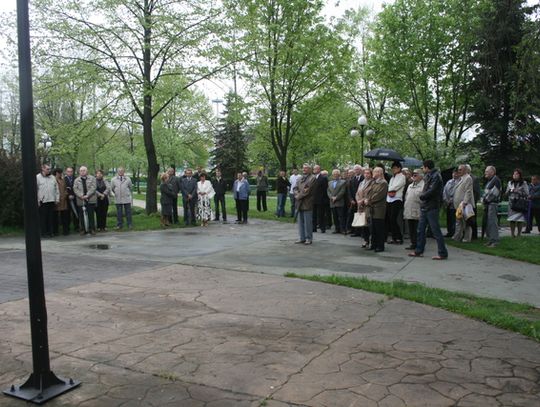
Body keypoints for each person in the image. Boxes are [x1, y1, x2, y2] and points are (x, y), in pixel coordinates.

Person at [409, 160, 448, 260]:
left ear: (427, 167)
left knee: (435, 230)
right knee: (420, 230)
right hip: (425, 206)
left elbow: (432, 190)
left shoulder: (436, 176)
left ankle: (442, 253)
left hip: (432, 206)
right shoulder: (429, 176)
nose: (423, 169)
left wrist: (422, 196)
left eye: (423, 167)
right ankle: (419, 250)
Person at [364, 167, 388, 252]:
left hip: (378, 209)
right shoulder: (373, 182)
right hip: (372, 209)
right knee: (373, 228)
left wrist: (369, 201)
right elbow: (368, 192)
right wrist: (366, 199)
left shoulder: (383, 183)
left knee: (379, 228)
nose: (373, 173)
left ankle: (380, 246)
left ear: (380, 173)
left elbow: (379, 195)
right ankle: (373, 244)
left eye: (375, 172)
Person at [294, 164, 316, 245]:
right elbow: (295, 188)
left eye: (306, 168)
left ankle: (308, 238)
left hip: (307, 202)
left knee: (307, 222)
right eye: (303, 168)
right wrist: (296, 195)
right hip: (299, 202)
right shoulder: (299, 178)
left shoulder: (312, 178)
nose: (304, 169)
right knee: (300, 222)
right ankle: (301, 238)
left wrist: (298, 196)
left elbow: (307, 190)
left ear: (310, 169)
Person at [453, 164, 475, 243]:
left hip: (464, 204)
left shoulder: (468, 178)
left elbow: (468, 191)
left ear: (465, 170)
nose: (459, 171)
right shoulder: (461, 178)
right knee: (459, 221)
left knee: (466, 222)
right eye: (458, 169)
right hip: (458, 204)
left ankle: (467, 238)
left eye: (460, 170)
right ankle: (457, 237)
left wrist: (465, 202)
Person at [403, 169, 424, 250]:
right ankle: (413, 243)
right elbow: (406, 197)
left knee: (418, 229)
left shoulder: (423, 186)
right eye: (413, 175)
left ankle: (419, 244)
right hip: (409, 209)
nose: (413, 176)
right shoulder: (410, 185)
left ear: (421, 176)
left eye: (416, 175)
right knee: (411, 228)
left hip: (417, 209)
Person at [36, 164, 59, 238]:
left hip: (51, 200)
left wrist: (57, 199)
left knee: (51, 217)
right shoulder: (38, 177)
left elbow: (56, 189)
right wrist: (38, 200)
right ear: (43, 169)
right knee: (43, 218)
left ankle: (50, 232)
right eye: (47, 169)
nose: (49, 170)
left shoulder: (52, 177)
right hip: (43, 201)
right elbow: (35, 189)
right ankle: (43, 232)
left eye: (49, 169)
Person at [386, 161, 406, 244]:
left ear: (399, 168)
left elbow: (396, 186)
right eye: (392, 168)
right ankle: (394, 237)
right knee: (390, 219)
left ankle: (399, 237)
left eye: (395, 168)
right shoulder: (392, 177)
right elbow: (389, 186)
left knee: (393, 219)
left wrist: (390, 189)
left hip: (397, 199)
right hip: (389, 199)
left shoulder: (402, 177)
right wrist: (390, 189)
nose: (393, 170)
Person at [73, 166, 97, 235]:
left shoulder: (92, 178)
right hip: (81, 200)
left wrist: (87, 195)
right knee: (81, 216)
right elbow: (75, 189)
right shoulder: (76, 180)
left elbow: (93, 187)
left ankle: (92, 229)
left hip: (90, 199)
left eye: (84, 170)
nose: (82, 172)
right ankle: (83, 229)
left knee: (91, 215)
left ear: (87, 171)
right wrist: (81, 196)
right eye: (81, 170)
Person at [506, 168, 529, 237]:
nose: (515, 175)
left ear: (520, 175)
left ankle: (519, 234)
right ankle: (512, 234)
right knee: (511, 219)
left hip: (519, 203)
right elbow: (506, 192)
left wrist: (518, 191)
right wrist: (510, 191)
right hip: (512, 203)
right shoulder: (510, 183)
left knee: (519, 219)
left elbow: (527, 193)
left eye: (516, 174)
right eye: (514, 174)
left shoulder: (523, 183)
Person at [482, 166, 502, 247]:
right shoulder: (490, 181)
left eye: (487, 171)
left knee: (492, 222)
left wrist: (485, 199)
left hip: (492, 204)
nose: (485, 173)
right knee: (488, 223)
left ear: (492, 172)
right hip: (488, 204)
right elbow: (486, 192)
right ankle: (490, 240)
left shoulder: (496, 180)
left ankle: (495, 241)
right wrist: (484, 199)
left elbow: (494, 193)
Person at [356, 167, 374, 248]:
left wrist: (362, 200)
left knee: (369, 224)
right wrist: (358, 200)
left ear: (371, 174)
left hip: (367, 206)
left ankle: (371, 241)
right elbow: (357, 193)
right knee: (363, 224)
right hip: (360, 206)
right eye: (365, 173)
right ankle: (365, 240)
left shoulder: (373, 183)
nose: (366, 175)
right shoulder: (361, 183)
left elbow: (370, 195)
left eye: (368, 173)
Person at [327, 169, 347, 234]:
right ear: (332, 175)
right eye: (334, 174)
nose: (335, 175)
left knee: (341, 216)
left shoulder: (343, 182)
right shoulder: (329, 182)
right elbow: (328, 191)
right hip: (332, 202)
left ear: (339, 175)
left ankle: (342, 229)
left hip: (339, 201)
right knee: (335, 217)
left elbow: (342, 191)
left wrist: (336, 197)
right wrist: (331, 197)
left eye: (337, 174)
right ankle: (337, 229)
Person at [52, 168, 70, 236]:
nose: (60, 174)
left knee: (64, 216)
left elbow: (65, 188)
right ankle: (55, 231)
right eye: (59, 173)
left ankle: (65, 231)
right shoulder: (53, 180)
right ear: (56, 173)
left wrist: (65, 194)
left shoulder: (62, 180)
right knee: (55, 217)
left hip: (63, 200)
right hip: (56, 200)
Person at [312, 164, 329, 233]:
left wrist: (323, 199)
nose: (314, 170)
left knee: (321, 214)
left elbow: (325, 189)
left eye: (315, 169)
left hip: (321, 199)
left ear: (319, 169)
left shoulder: (323, 178)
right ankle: (314, 227)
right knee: (314, 214)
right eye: (314, 169)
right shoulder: (313, 178)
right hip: (313, 199)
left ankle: (322, 227)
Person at [443, 169, 459, 237]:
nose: (454, 175)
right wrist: (446, 200)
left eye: (456, 173)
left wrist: (452, 200)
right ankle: (449, 231)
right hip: (448, 203)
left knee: (454, 219)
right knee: (449, 218)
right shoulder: (449, 182)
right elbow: (444, 192)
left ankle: (454, 232)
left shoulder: (459, 182)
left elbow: (457, 193)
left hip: (454, 204)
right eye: (453, 173)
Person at [64, 166, 78, 232]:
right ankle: (67, 229)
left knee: (76, 213)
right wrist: (68, 195)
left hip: (75, 198)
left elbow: (78, 188)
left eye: (71, 171)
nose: (70, 173)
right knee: (67, 214)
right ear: (66, 172)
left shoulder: (76, 179)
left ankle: (77, 227)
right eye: (68, 171)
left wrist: (74, 195)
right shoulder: (63, 179)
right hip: (66, 200)